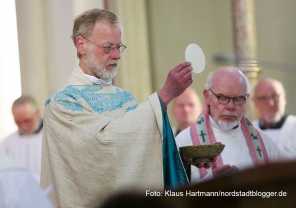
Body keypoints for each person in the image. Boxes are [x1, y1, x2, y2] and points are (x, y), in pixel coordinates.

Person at [40, 8, 207, 207]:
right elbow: (102, 150)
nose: (117, 55)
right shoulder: (62, 103)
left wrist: (179, 162)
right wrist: (165, 95)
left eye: (119, 47)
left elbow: (139, 156)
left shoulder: (126, 99)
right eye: (108, 47)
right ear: (81, 45)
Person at [176, 67, 281, 184]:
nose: (230, 106)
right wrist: (210, 184)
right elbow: (174, 196)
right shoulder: (184, 143)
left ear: (246, 100)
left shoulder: (267, 145)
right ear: (207, 96)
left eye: (238, 99)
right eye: (223, 98)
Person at [0, 95, 43, 184]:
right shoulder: (7, 144)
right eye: (18, 122)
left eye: (27, 121)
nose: (23, 126)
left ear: (37, 113)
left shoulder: (54, 138)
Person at [252, 77, 296, 155]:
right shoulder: (248, 130)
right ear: (254, 101)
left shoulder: (293, 126)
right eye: (263, 98)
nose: (271, 103)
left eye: (275, 96)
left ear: (284, 98)